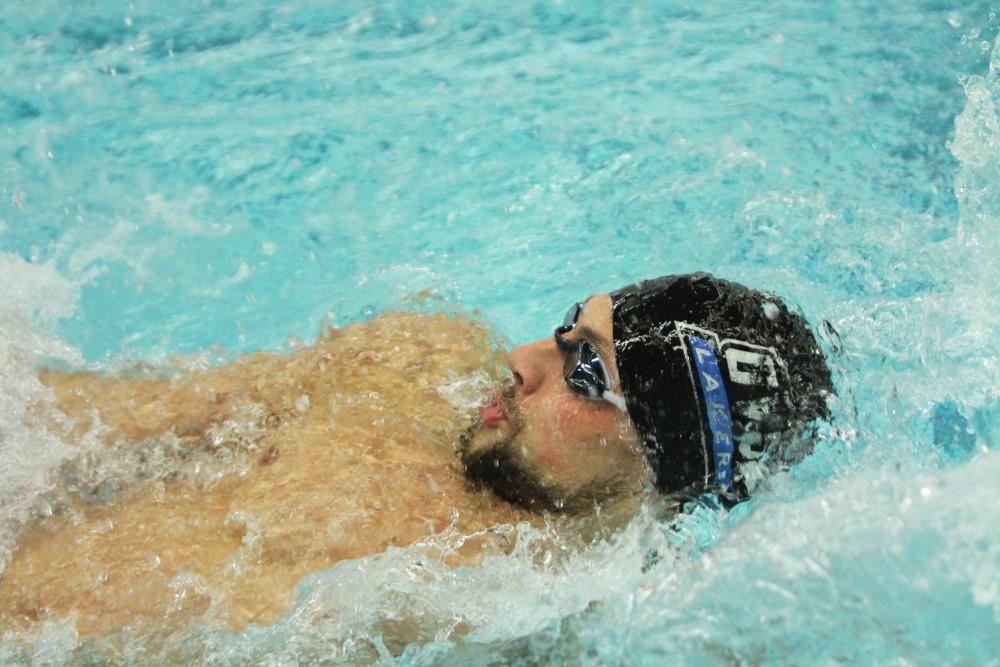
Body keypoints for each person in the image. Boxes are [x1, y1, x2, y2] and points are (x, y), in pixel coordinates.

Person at [0, 273, 832, 640]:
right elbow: (93, 412)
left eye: (586, 375)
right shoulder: (409, 358)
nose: (521, 359)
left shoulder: (506, 603)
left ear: (662, 476)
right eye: (565, 327)